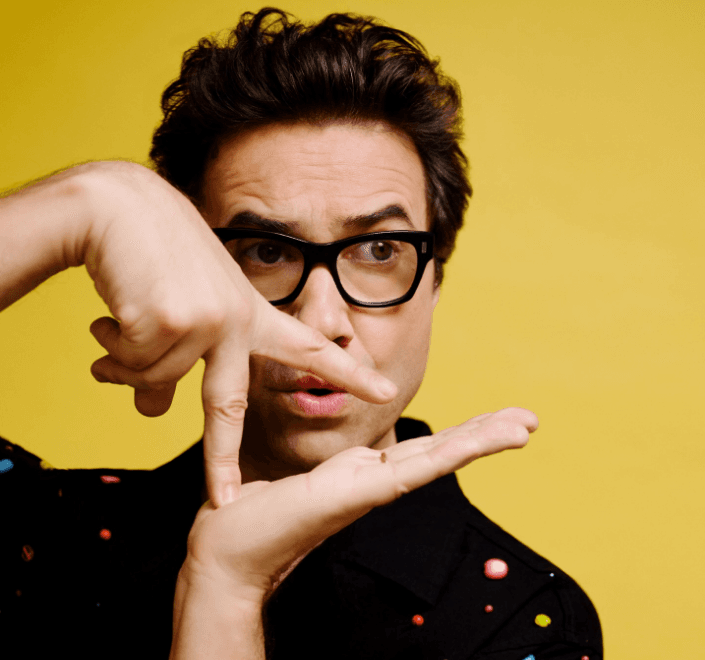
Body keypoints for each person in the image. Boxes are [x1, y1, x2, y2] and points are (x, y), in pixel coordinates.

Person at [0, 8, 602, 659]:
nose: (322, 321)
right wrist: (86, 201)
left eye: (378, 251)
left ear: (435, 279)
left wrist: (225, 590)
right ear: (196, 275)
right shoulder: (48, 539)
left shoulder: (517, 620)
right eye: (266, 251)